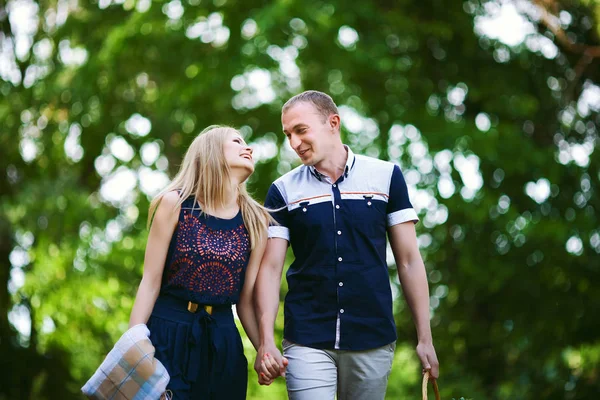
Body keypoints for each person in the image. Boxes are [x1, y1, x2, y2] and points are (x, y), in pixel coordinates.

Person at [254, 91, 439, 399]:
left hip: (373, 336)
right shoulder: (282, 190)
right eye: (288, 135)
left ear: (333, 123)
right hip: (306, 337)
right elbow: (271, 270)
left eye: (301, 130)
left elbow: (408, 260)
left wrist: (425, 338)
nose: (294, 143)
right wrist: (265, 339)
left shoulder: (386, 176)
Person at [128, 125, 273, 399]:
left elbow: (245, 301)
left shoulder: (256, 220)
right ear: (212, 152)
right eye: (237, 141)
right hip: (167, 333)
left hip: (223, 340)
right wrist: (134, 345)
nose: (249, 148)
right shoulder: (175, 204)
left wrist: (264, 350)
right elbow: (150, 282)